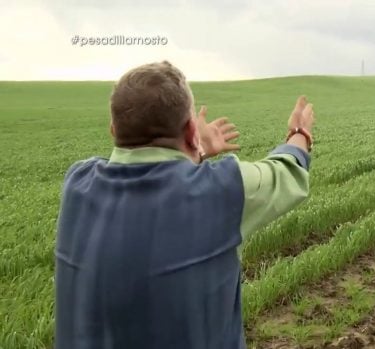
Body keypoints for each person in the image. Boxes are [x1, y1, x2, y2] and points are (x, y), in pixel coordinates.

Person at [54, 61, 315, 349]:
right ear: (192, 129)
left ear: (113, 129)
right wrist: (299, 133)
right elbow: (287, 169)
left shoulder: (76, 183)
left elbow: (142, 175)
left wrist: (191, 147)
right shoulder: (223, 189)